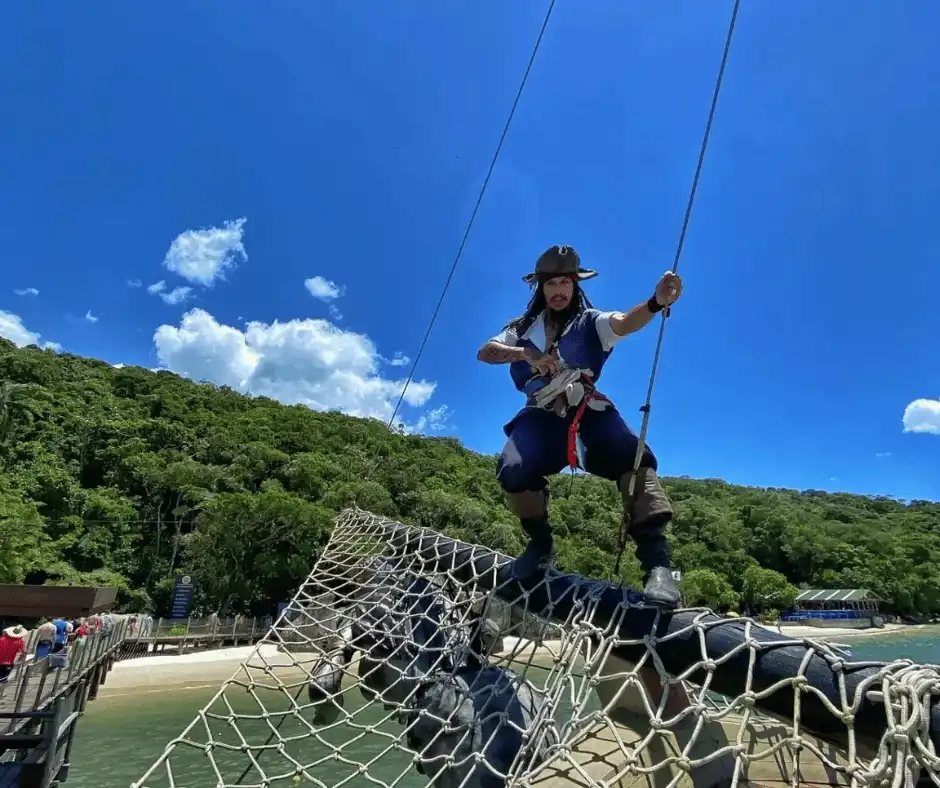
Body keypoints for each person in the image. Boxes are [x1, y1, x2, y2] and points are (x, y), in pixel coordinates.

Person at [477, 244, 682, 607]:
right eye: (551, 283)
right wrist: (526, 354)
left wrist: (655, 302)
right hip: (540, 413)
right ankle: (540, 544)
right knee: (512, 469)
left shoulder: (592, 322)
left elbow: (624, 323)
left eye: (565, 283)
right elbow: (487, 352)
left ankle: (658, 567)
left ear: (575, 286)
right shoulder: (520, 328)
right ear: (540, 288)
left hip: (587, 407)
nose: (558, 291)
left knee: (631, 458)